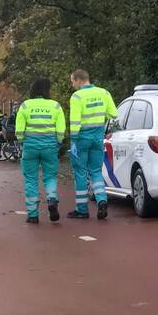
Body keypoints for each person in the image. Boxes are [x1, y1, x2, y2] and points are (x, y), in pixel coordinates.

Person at [16, 77, 66, 224]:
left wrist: (21, 141)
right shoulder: (55, 106)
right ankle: (51, 199)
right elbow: (61, 129)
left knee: (31, 179)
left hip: (30, 147)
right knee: (50, 177)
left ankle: (32, 214)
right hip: (49, 147)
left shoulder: (25, 105)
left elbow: (19, 129)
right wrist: (58, 141)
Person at [68, 69, 117, 220]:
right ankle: (102, 200)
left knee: (80, 172)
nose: (72, 84)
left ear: (78, 80)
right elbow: (114, 114)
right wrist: (108, 130)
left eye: (72, 81)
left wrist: (73, 140)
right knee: (96, 171)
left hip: (82, 138)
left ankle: (82, 210)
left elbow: (75, 121)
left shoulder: (77, 96)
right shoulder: (104, 93)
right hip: (97, 137)